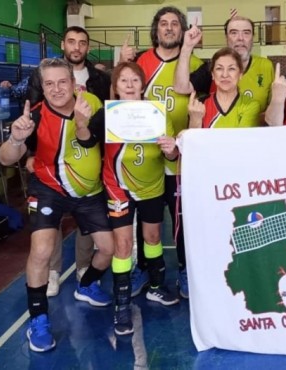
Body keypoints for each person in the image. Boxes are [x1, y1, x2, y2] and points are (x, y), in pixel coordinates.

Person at [0, 58, 114, 352]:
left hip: (89, 192)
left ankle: (86, 285)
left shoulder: (92, 104)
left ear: (74, 84)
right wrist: (15, 138)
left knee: (109, 249)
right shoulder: (33, 117)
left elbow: (107, 140)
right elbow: (6, 159)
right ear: (43, 86)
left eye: (62, 82)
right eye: (49, 83)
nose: (56, 89)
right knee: (41, 250)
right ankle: (38, 320)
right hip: (49, 190)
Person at [119, 6, 210, 299]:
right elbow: (120, 100)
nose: (169, 28)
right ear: (156, 30)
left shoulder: (196, 63)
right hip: (146, 158)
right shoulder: (141, 62)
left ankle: (185, 268)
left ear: (182, 30)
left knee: (182, 220)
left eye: (174, 24)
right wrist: (121, 63)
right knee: (147, 222)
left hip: (181, 157)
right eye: (163, 23)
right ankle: (145, 268)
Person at [26, 26, 112, 297]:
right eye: (72, 42)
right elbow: (30, 122)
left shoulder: (97, 84)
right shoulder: (44, 77)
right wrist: (26, 151)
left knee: (96, 238)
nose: (77, 47)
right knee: (44, 242)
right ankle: (51, 274)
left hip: (87, 178)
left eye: (82, 42)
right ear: (63, 44)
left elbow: (100, 129)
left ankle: (83, 274)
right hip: (51, 174)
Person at [101, 62, 179, 335]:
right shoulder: (107, 115)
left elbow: (171, 155)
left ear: (143, 85)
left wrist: (171, 149)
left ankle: (156, 287)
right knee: (122, 245)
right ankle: (121, 305)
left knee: (154, 237)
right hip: (117, 186)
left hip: (152, 185)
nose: (130, 84)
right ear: (116, 86)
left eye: (135, 80)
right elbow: (87, 142)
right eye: (124, 80)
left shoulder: (157, 113)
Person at [187, 47, 260, 129]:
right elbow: (193, 141)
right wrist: (195, 121)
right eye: (219, 68)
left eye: (231, 69)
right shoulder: (199, 105)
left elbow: (241, 140)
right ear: (213, 75)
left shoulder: (250, 105)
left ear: (240, 74)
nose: (225, 75)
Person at [223, 15, 274, 113]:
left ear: (252, 38)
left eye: (246, 33)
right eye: (234, 33)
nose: (240, 38)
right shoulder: (215, 69)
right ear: (226, 38)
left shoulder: (266, 66)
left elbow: (274, 110)